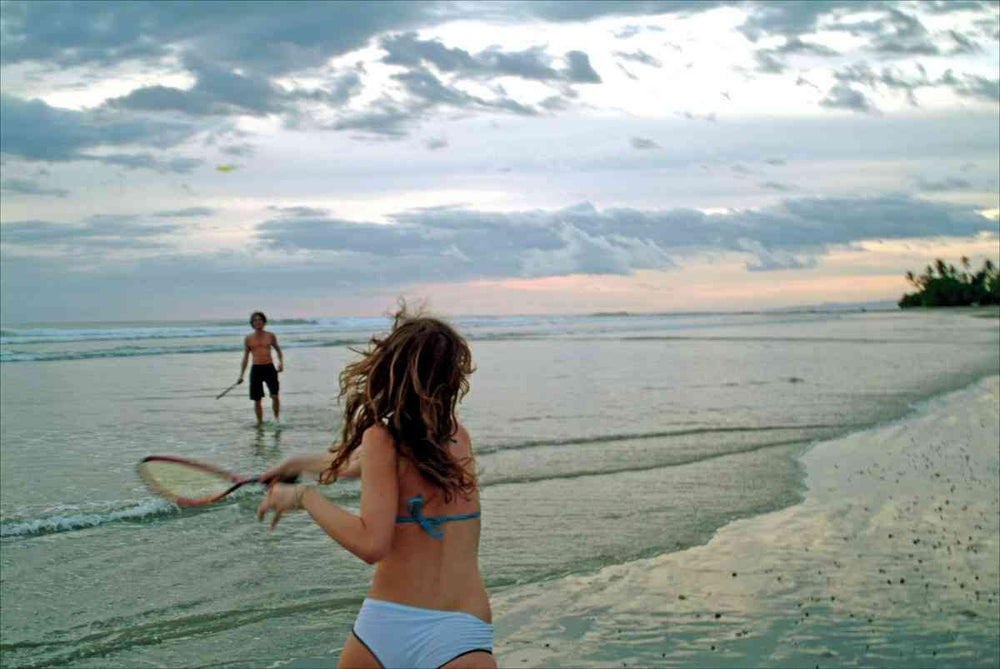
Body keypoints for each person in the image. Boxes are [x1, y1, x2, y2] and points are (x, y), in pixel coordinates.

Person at [257, 307, 495, 669]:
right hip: (462, 631)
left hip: (386, 626)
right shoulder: (456, 437)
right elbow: (367, 468)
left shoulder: (382, 439)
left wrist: (303, 496)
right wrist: (297, 463)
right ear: (451, 377)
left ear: (389, 370)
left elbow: (372, 545)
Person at [238, 311, 284, 425]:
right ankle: (259, 423)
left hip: (269, 367)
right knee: (257, 399)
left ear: (263, 322)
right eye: (255, 320)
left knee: (274, 395)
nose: (257, 322)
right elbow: (245, 357)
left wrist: (281, 363)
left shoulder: (270, 336)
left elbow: (278, 350)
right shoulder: (248, 338)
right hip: (256, 369)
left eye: (260, 320)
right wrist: (241, 375)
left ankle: (276, 419)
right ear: (252, 323)